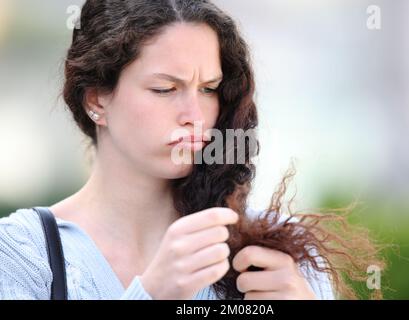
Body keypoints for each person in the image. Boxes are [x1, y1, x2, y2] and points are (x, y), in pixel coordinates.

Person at [0, 0, 379, 300]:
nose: (194, 116)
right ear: (97, 99)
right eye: (165, 89)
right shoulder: (23, 252)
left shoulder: (277, 250)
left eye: (209, 89)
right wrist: (152, 294)